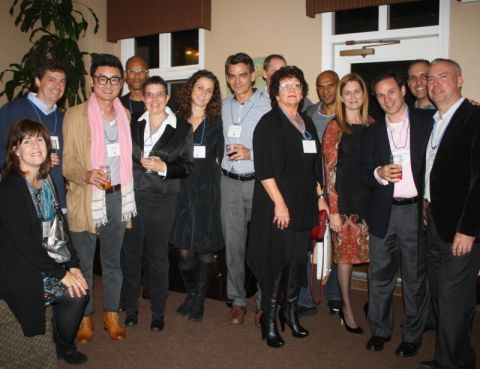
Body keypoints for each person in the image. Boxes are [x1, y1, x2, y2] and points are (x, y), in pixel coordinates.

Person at [247, 66, 328, 348]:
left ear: (303, 91)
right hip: (277, 205)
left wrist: (320, 196)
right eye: (285, 86)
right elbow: (265, 170)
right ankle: (269, 323)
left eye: (296, 85)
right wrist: (279, 204)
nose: (292, 90)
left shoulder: (305, 121)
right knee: (275, 264)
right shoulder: (268, 124)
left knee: (296, 262)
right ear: (275, 93)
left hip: (304, 203)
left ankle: (291, 314)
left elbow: (314, 164)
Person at [0, 119, 88, 364]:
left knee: (81, 283)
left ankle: (62, 341)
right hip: (20, 265)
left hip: (46, 254)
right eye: (26, 141)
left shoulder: (46, 180)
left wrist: (74, 264)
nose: (36, 146)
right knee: (76, 295)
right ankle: (65, 345)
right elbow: (24, 243)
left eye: (40, 139)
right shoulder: (10, 187)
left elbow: (61, 227)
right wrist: (61, 274)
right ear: (15, 150)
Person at [62, 53, 137, 343]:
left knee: (113, 261)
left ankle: (111, 315)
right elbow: (67, 162)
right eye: (102, 78)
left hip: (118, 197)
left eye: (114, 79)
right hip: (86, 198)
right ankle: (85, 316)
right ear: (93, 81)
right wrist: (86, 174)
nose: (108, 84)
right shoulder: (74, 114)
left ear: (121, 83)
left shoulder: (124, 114)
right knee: (83, 263)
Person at [361, 72, 433, 357]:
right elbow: (363, 173)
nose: (386, 99)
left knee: (415, 278)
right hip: (384, 212)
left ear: (402, 90)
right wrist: (378, 173)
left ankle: (412, 336)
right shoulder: (372, 132)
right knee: (379, 276)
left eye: (391, 91)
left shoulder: (428, 122)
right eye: (380, 95)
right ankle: (380, 331)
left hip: (416, 211)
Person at [419, 58, 480, 369]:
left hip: (459, 230)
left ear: (460, 80)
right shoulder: (434, 121)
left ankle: (449, 364)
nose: (435, 83)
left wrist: (469, 229)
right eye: (430, 78)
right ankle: (461, 357)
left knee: (452, 301)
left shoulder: (474, 118)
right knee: (448, 301)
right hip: (433, 224)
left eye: (443, 76)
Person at [122, 76, 193, 331]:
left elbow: (186, 166)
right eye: (149, 94)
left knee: (157, 257)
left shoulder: (183, 128)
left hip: (163, 199)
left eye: (159, 94)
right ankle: (131, 307)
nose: (154, 99)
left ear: (168, 97)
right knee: (130, 255)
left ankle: (158, 313)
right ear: (143, 97)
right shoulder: (132, 125)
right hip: (134, 197)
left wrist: (165, 168)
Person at [220, 52, 271, 325]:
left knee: (261, 245)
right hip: (228, 182)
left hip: (259, 183)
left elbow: (277, 149)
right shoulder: (223, 105)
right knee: (233, 245)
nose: (237, 80)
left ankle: (263, 302)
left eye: (242, 75)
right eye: (231, 75)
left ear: (253, 75)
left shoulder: (269, 105)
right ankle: (238, 300)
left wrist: (250, 153)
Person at [322, 73, 372, 334]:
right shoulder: (335, 127)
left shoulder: (376, 124)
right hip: (344, 205)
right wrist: (334, 210)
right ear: (341, 97)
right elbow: (330, 172)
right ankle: (347, 308)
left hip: (372, 205)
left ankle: (375, 307)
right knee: (345, 260)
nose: (352, 97)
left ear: (364, 95)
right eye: (348, 92)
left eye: (357, 91)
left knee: (377, 258)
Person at [173, 70, 223, 322]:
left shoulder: (217, 121)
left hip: (207, 189)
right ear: (191, 88)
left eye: (209, 90)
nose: (203, 94)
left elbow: (224, 156)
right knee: (183, 250)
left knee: (204, 249)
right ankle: (191, 294)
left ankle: (199, 299)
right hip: (181, 187)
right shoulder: (175, 118)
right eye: (200, 87)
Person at [0, 60, 67, 209]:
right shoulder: (12, 111)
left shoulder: (64, 118)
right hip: (20, 201)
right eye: (51, 80)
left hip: (56, 200)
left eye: (62, 81)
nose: (58, 86)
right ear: (37, 81)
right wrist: (35, 160)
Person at [302, 69, 342, 316]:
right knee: (310, 243)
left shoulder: (348, 113)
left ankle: (335, 294)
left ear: (338, 86)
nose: (326, 91)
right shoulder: (308, 115)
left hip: (340, 190)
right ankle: (307, 297)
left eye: (330, 85)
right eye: (321, 86)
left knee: (337, 243)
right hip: (312, 188)